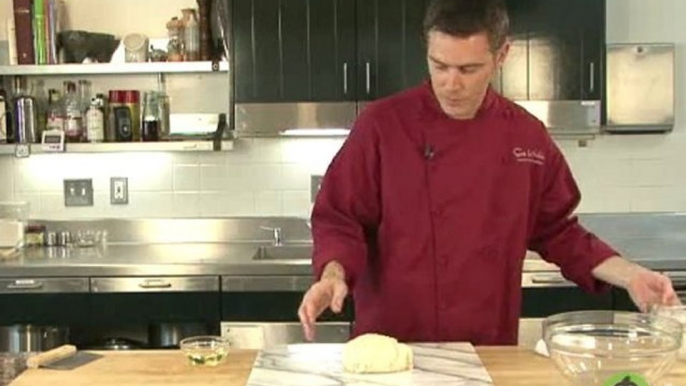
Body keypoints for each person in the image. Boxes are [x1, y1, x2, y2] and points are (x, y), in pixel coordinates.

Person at [298, 0, 680, 345]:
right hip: (391, 346)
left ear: (503, 55)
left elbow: (560, 232)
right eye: (439, 65)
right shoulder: (382, 126)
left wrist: (630, 275)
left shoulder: (525, 135)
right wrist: (333, 275)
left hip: (485, 347)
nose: (451, 83)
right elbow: (339, 216)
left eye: (468, 68)